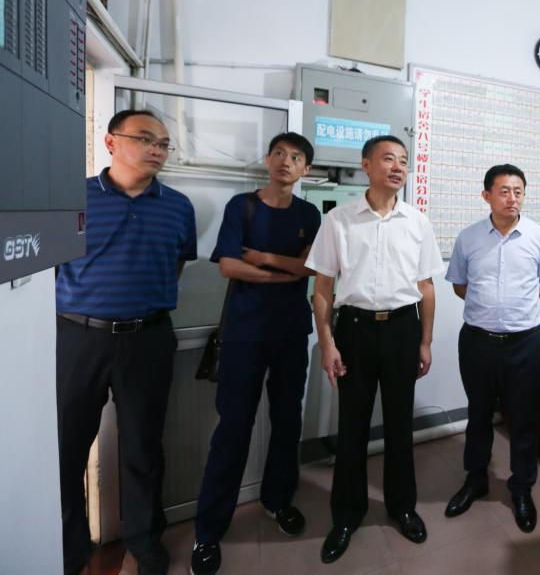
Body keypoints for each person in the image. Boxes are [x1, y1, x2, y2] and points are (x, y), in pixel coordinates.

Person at [55, 110, 197, 575]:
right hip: (78, 337)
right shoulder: (71, 197)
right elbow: (49, 266)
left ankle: (145, 542)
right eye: (145, 139)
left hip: (149, 338)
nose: (157, 149)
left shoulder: (178, 206)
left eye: (164, 143)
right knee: (67, 446)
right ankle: (70, 548)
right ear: (111, 141)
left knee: (143, 447)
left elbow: (175, 264)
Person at [305, 134, 444, 564]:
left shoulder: (417, 222)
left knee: (401, 424)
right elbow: (323, 288)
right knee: (353, 426)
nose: (398, 167)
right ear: (366, 165)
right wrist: (327, 343)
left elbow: (426, 287)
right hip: (355, 330)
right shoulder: (339, 220)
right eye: (388, 158)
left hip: (403, 329)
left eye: (403, 160)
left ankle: (403, 508)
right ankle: (347, 515)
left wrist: (425, 340)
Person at [190, 132, 321, 575]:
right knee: (233, 427)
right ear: (267, 159)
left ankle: (278, 500)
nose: (286, 161)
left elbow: (310, 267)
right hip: (244, 334)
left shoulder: (309, 215)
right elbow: (229, 265)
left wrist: (262, 258)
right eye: (279, 153)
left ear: (305, 170)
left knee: (287, 421)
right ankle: (209, 530)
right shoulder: (241, 207)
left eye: (296, 157)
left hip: (290, 334)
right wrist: (284, 274)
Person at [443, 164, 540, 532]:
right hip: (478, 342)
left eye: (518, 191)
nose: (512, 198)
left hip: (524, 343)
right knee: (478, 415)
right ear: (487, 195)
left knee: (523, 418)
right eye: (504, 191)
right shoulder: (469, 238)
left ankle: (521, 488)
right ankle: (475, 479)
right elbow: (459, 285)